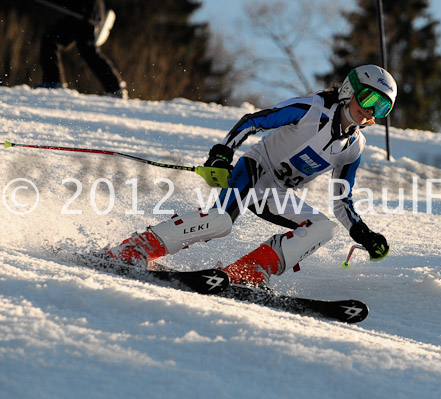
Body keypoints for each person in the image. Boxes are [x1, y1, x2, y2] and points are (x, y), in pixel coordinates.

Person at [106, 65, 397, 286]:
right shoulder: (312, 110)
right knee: (220, 222)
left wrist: (361, 231)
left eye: (382, 107)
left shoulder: (355, 147)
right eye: (369, 98)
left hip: (276, 193)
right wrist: (223, 152)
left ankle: (248, 271)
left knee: (324, 227)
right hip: (254, 170)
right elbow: (254, 121)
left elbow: (341, 197)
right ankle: (137, 248)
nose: (371, 111)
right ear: (349, 90)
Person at [38, 0, 127, 98]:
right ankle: (53, 81)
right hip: (82, 13)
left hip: (87, 13)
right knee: (51, 40)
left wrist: (92, 11)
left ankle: (115, 88)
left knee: (87, 50)